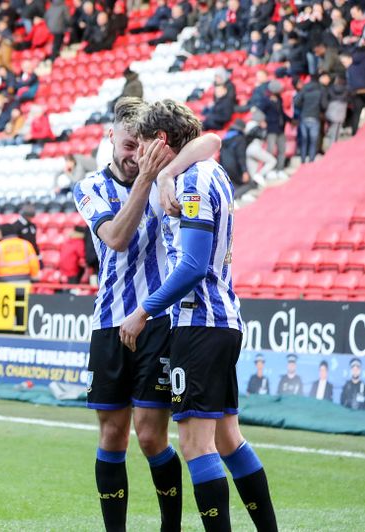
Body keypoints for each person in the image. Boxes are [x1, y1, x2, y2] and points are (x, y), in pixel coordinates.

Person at [121, 99, 278, 532]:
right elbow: (210, 140)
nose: (142, 155)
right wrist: (166, 173)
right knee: (229, 439)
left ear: (163, 140)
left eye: (148, 143)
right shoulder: (209, 171)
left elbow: (192, 266)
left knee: (194, 445)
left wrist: (143, 311)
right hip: (222, 320)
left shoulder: (193, 181)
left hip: (200, 324)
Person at [74, 97, 221, 532]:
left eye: (140, 145)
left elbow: (210, 140)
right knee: (111, 436)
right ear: (110, 139)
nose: (132, 153)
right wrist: (151, 180)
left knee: (151, 435)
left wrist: (168, 173)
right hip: (108, 321)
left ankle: (170, 527)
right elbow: (117, 237)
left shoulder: (167, 180)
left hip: (157, 320)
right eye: (125, 144)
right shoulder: (89, 187)